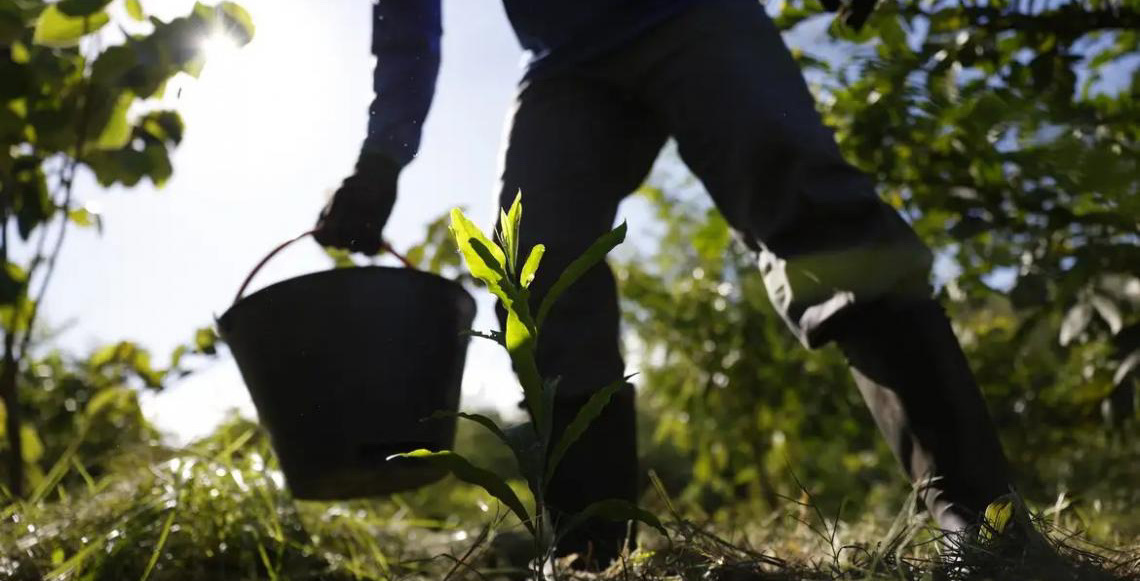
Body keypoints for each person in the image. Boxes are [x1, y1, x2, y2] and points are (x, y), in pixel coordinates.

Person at [314, 0, 1012, 569]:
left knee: (810, 205)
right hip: (565, 63)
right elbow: (406, 18)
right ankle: (590, 553)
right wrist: (381, 159)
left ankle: (980, 519)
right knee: (534, 273)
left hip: (695, 13)